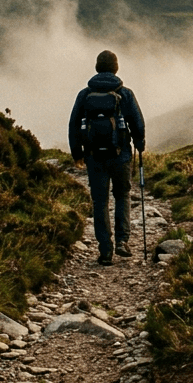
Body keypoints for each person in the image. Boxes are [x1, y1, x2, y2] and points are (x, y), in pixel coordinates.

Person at [68, 50, 145, 266]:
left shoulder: (84, 95)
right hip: (120, 155)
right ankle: (123, 241)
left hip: (94, 157)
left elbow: (74, 124)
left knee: (99, 201)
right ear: (116, 68)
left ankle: (105, 251)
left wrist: (77, 153)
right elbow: (137, 122)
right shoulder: (125, 93)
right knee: (122, 195)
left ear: (96, 67)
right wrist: (139, 144)